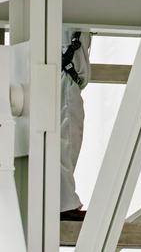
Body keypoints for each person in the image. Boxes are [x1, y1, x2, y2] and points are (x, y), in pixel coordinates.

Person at [59, 21, 91, 220]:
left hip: (65, 72)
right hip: (66, 74)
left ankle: (62, 200)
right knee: (66, 138)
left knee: (66, 138)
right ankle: (62, 202)